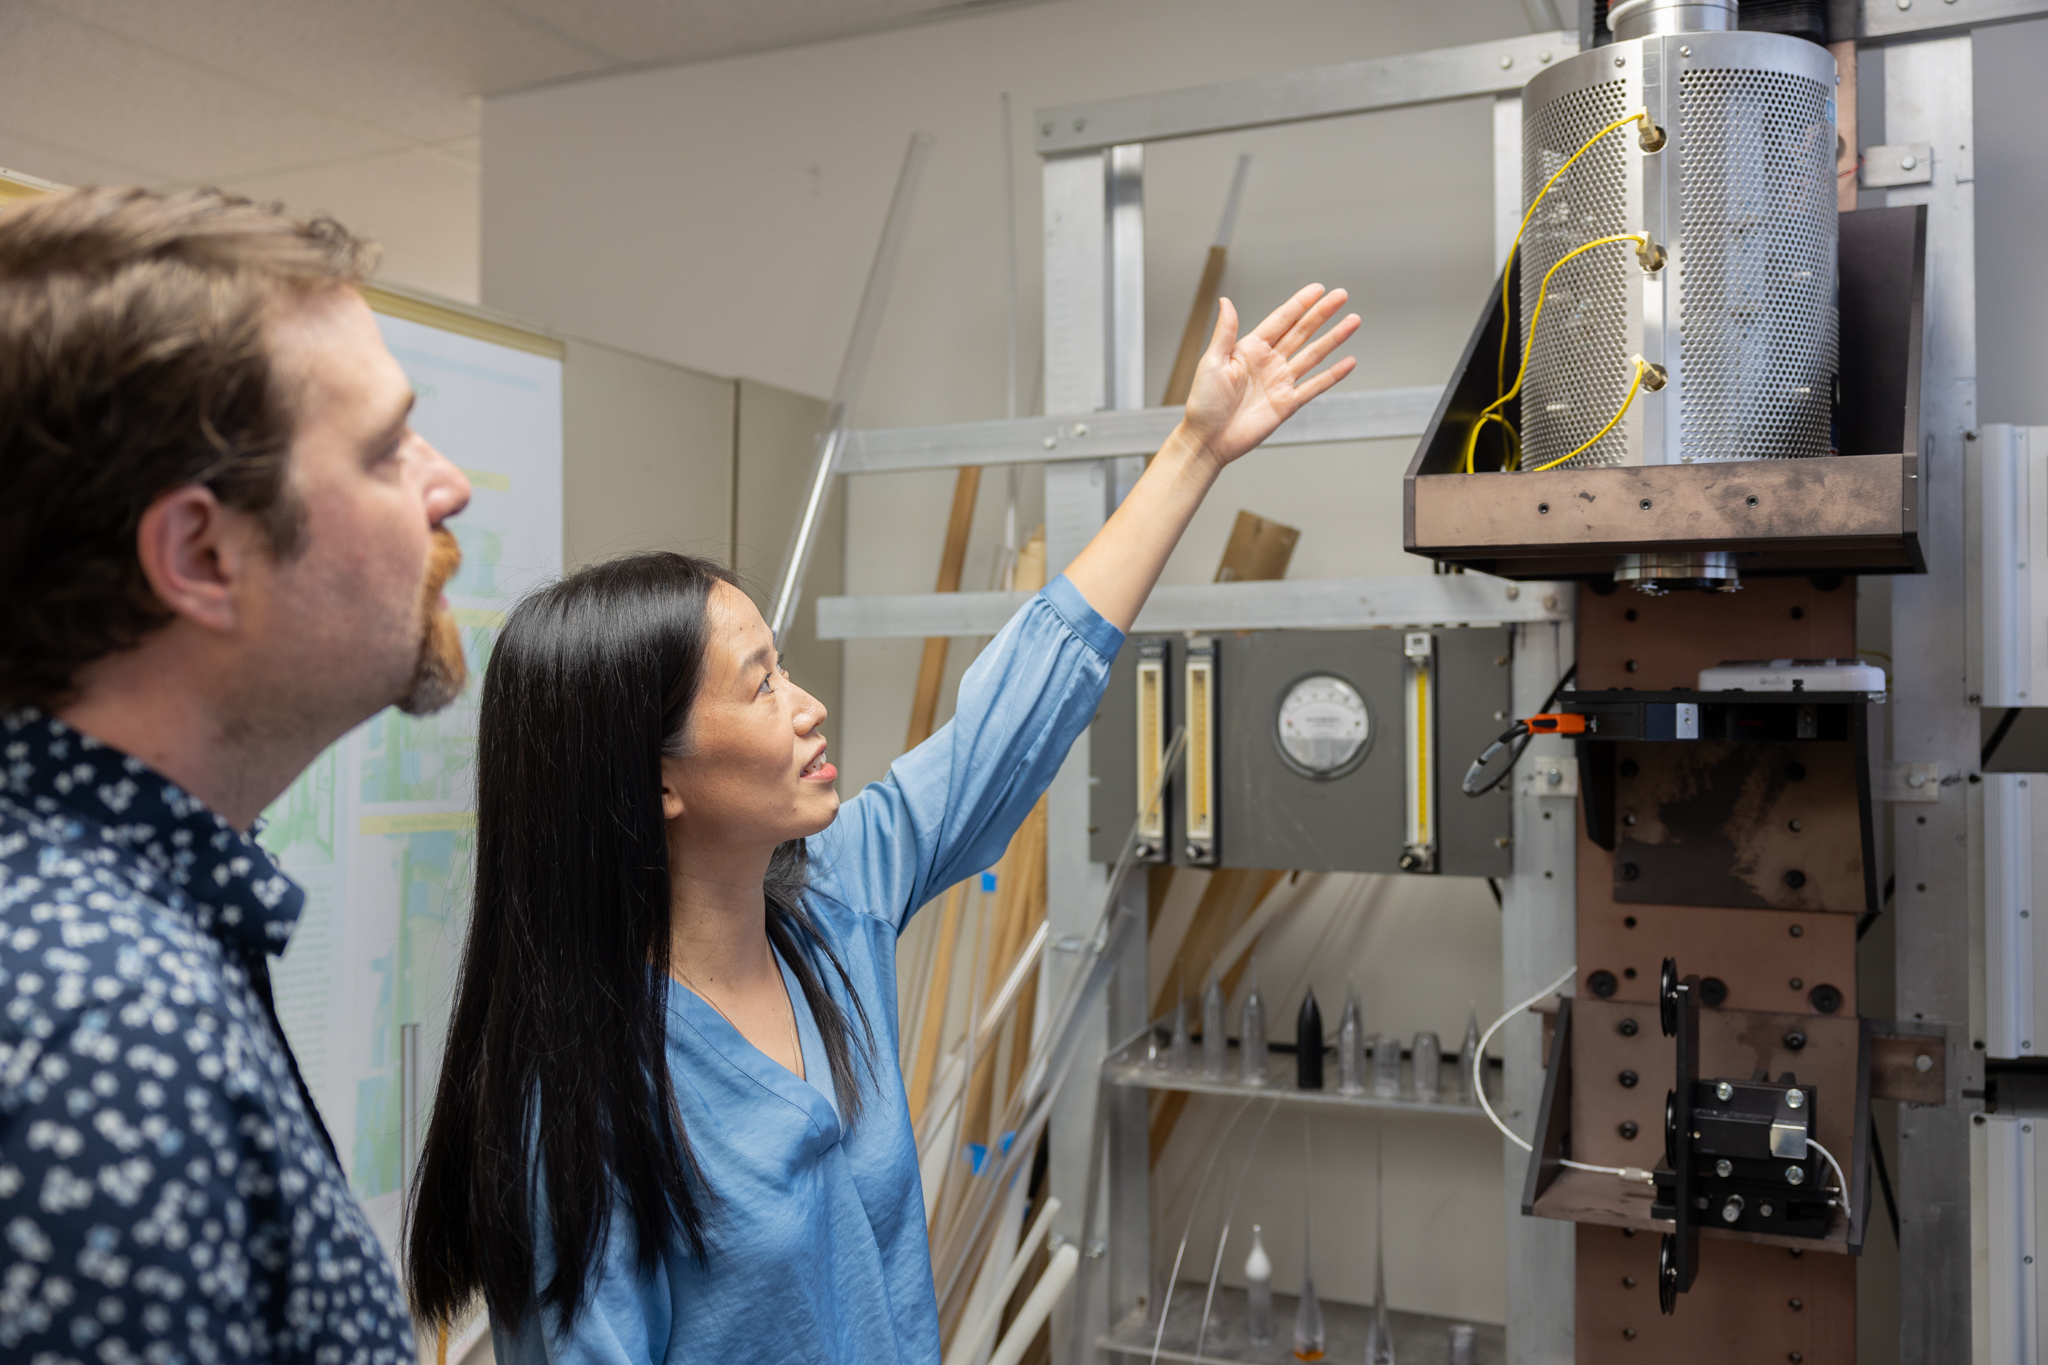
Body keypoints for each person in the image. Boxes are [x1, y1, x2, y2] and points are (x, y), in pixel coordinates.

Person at [407, 284, 1361, 1363]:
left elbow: (1016, 707)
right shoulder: (580, 1094)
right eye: (761, 685)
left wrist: (1194, 449)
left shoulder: (827, 908)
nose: (807, 706)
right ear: (655, 779)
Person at [0, 188, 473, 1359]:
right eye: (384, 449)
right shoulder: (100, 1031)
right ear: (203, 555)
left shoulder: (121, 926)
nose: (447, 483)